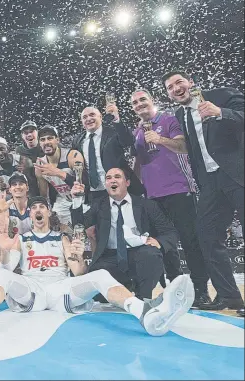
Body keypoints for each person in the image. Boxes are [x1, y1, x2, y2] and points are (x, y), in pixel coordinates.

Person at [0, 195, 194, 337]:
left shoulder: (63, 238)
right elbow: (5, 268)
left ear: (49, 213)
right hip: (34, 290)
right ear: (30, 215)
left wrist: (77, 257)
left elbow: (79, 274)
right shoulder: (22, 238)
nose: (38, 210)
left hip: (61, 289)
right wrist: (5, 249)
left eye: (42, 207)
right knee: (5, 275)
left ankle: (146, 314)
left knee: (101, 274)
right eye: (34, 208)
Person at [164, 70, 244, 314]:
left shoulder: (221, 95)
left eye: (179, 82)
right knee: (207, 235)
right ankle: (230, 297)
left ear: (191, 83)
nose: (176, 88)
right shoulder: (180, 114)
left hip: (238, 175)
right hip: (209, 183)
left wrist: (221, 113)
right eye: (170, 87)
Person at [130, 88, 209, 307]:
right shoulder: (137, 131)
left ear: (152, 100)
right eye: (135, 103)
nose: (139, 104)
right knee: (164, 245)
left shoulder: (169, 119)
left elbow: (184, 146)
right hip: (152, 196)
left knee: (190, 241)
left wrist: (160, 139)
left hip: (179, 190)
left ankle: (201, 290)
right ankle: (174, 288)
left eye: (143, 99)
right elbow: (138, 163)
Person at [70, 168, 178, 299]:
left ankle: (143, 297)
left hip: (139, 252)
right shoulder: (99, 206)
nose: (112, 180)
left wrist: (159, 242)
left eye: (117, 177)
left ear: (127, 182)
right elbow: (79, 226)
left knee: (151, 255)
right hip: (110, 257)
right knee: (98, 295)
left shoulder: (146, 205)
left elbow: (170, 232)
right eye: (108, 178)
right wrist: (76, 200)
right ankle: (124, 287)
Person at [71, 106, 145, 200]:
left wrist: (116, 119)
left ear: (100, 117)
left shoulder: (113, 132)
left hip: (119, 189)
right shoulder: (77, 140)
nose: (89, 119)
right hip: (93, 193)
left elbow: (128, 141)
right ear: (82, 122)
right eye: (85, 117)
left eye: (92, 115)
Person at [33, 125, 76, 226]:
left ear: (57, 140)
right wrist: (48, 211)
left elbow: (84, 183)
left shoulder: (72, 155)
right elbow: (44, 194)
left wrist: (57, 172)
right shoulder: (40, 164)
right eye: (42, 139)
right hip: (63, 200)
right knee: (58, 228)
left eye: (50, 138)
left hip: (82, 199)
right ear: (39, 143)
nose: (46, 142)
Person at [15, 120, 44, 197]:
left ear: (37, 132)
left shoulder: (45, 145)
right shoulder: (19, 151)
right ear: (22, 136)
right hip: (31, 187)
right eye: (26, 133)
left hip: (48, 181)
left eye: (31, 131)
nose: (29, 134)